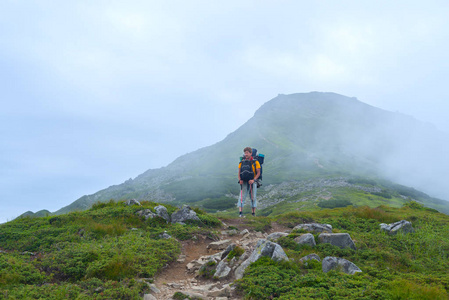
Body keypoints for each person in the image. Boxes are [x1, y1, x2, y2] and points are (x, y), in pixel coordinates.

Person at [238, 147, 261, 217]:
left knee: (253, 197)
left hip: (252, 181)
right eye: (245, 153)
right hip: (244, 181)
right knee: (242, 197)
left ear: (251, 153)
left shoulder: (255, 162)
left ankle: (253, 213)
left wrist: (253, 180)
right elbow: (239, 172)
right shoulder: (242, 162)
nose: (246, 154)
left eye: (247, 153)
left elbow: (258, 173)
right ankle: (240, 213)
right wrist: (240, 180)